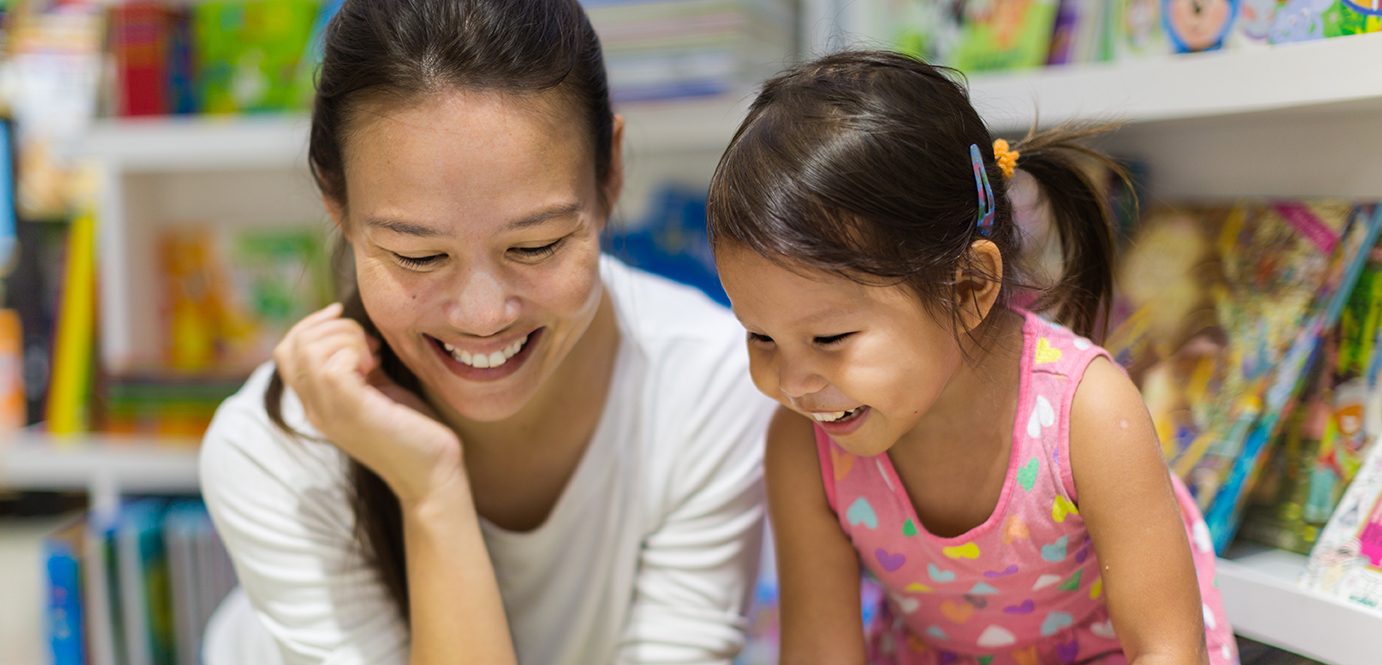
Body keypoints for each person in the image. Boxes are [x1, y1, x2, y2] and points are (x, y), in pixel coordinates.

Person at [198, 1, 773, 663]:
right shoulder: (273, 450)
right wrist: (430, 489)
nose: (482, 314)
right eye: (420, 256)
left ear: (610, 172)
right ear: (337, 202)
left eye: (536, 245)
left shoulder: (710, 383)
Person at [705, 51, 1239, 665]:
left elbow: (1167, 650)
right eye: (760, 337)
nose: (793, 383)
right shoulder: (804, 445)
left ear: (968, 289)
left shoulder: (1087, 412)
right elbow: (820, 652)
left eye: (829, 339)